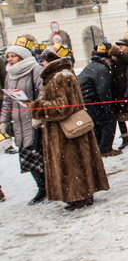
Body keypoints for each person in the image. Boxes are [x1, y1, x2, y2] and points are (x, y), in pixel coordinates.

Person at [30, 48, 109, 210]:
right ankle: (77, 195)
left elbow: (63, 107)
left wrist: (36, 107)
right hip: (63, 130)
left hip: (68, 130)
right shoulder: (58, 75)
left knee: (74, 163)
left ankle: (80, 195)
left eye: (43, 61)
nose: (41, 64)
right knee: (73, 163)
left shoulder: (61, 77)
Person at [0, 44, 46, 204]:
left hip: (33, 120)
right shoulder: (9, 75)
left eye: (13, 56)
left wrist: (37, 112)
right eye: (8, 56)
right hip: (18, 122)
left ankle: (48, 187)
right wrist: (4, 120)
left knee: (40, 155)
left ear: (21, 56)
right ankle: (41, 188)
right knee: (27, 158)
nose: (9, 59)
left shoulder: (35, 69)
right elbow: (7, 99)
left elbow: (42, 92)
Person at [78, 43, 120, 157]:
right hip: (93, 100)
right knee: (109, 121)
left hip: (86, 101)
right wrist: (108, 107)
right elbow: (103, 89)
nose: (111, 64)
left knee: (97, 124)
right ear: (106, 59)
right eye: (110, 61)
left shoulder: (92, 65)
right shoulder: (102, 69)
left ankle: (98, 148)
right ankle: (105, 149)